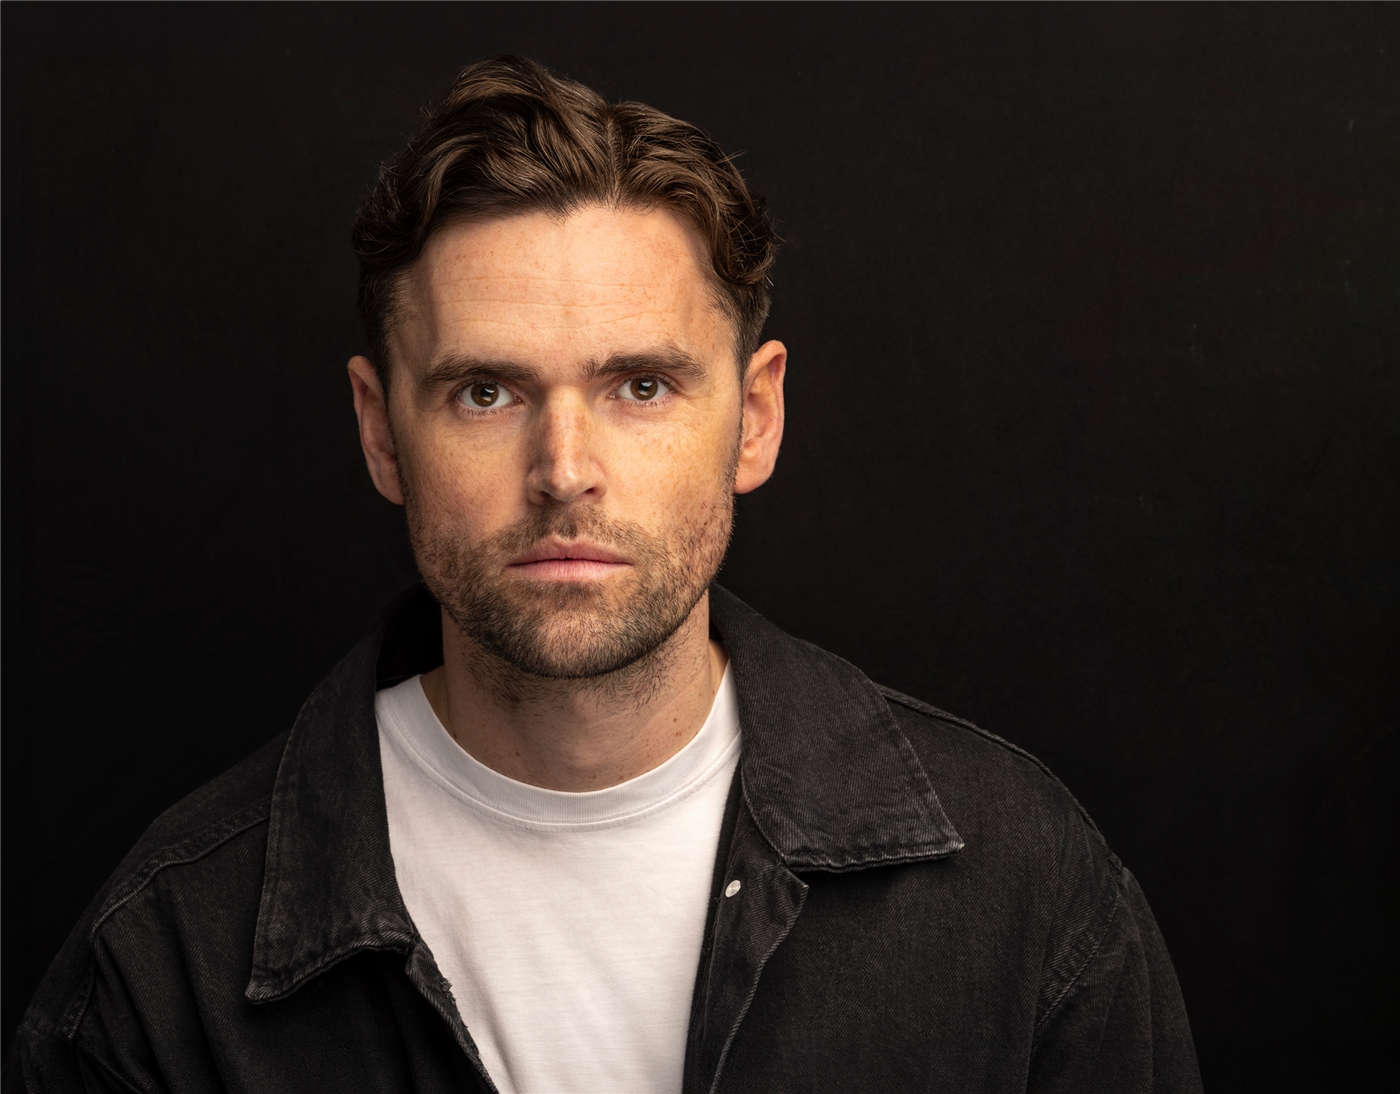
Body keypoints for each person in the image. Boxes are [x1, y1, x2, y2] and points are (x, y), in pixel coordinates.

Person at [6, 56, 1201, 1094]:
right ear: (380, 432)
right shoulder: (170, 953)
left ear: (754, 417)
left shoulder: (1019, 892)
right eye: (486, 391)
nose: (564, 471)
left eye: (640, 385)